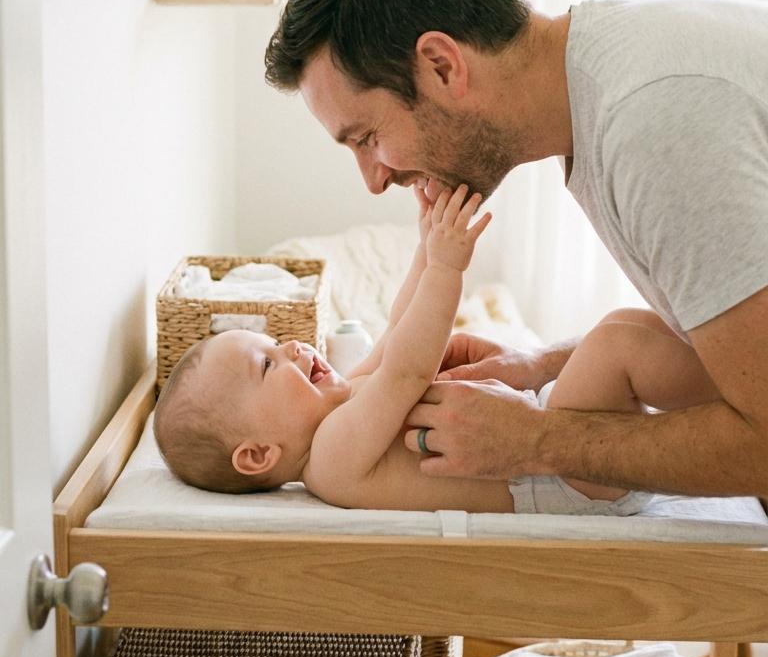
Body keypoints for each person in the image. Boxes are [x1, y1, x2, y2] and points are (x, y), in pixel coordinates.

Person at [263, 0, 768, 502]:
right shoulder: (602, 77)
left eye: (367, 137)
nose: (375, 180)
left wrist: (536, 442)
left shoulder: (654, 126)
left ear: (442, 66)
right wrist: (541, 363)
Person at [154, 185, 722, 515]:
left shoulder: (343, 401)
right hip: (561, 481)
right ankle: (743, 398)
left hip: (549, 443)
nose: (293, 346)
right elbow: (406, 369)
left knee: (626, 325)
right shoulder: (330, 459)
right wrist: (449, 268)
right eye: (267, 363)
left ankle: (736, 392)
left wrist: (427, 243)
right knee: (614, 344)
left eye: (277, 342)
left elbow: (399, 326)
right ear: (258, 454)